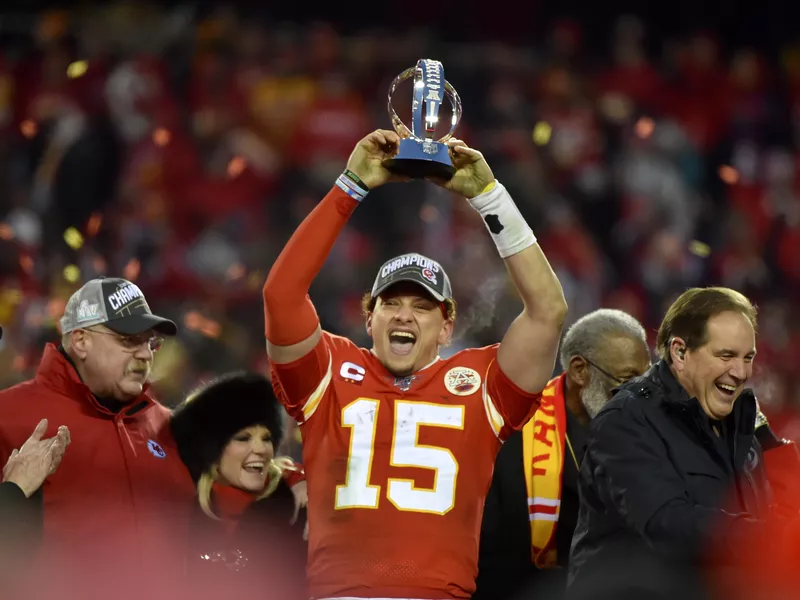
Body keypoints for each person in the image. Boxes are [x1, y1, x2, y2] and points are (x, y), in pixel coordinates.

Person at [263, 129, 568, 600]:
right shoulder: (330, 371)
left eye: (423, 307)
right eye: (391, 303)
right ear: (369, 318)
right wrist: (350, 187)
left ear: (446, 328)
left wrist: (490, 197)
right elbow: (281, 296)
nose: (405, 314)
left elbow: (548, 310)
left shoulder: (481, 385)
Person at [568, 287, 772, 600]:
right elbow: (666, 524)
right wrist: (766, 537)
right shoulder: (626, 419)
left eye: (748, 357)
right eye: (726, 355)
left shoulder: (739, 423)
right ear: (679, 352)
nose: (741, 372)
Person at [0, 277, 197, 600]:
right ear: (80, 341)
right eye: (130, 340)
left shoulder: (173, 429)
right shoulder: (7, 416)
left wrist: (291, 484)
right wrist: (14, 493)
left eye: (150, 342)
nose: (146, 355)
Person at [474, 309, 651, 600]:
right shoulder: (511, 433)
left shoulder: (648, 438)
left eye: (645, 383)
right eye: (627, 381)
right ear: (580, 370)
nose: (638, 396)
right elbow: (490, 549)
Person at [170, 371, 308, 599]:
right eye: (243, 438)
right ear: (211, 450)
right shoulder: (181, 503)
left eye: (266, 438)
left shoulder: (297, 505)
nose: (261, 449)